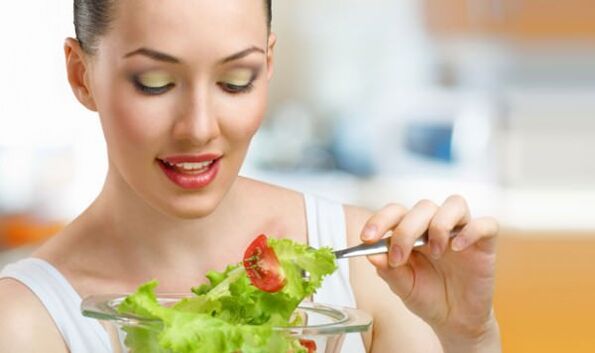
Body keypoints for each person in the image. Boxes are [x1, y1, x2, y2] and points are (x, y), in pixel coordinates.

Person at [0, 0, 501, 352]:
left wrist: (467, 338)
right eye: (154, 83)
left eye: (235, 81)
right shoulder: (25, 321)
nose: (199, 128)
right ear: (80, 74)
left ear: (269, 63)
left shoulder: (370, 269)